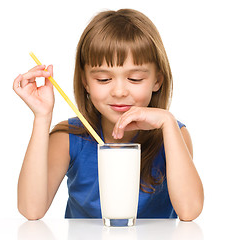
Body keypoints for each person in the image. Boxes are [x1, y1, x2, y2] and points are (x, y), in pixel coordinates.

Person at [13, 9, 204, 221]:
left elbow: (189, 211)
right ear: (85, 81)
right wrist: (42, 117)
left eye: (135, 79)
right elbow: (31, 210)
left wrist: (167, 121)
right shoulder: (68, 139)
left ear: (157, 80)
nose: (119, 91)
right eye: (104, 79)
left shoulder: (173, 134)